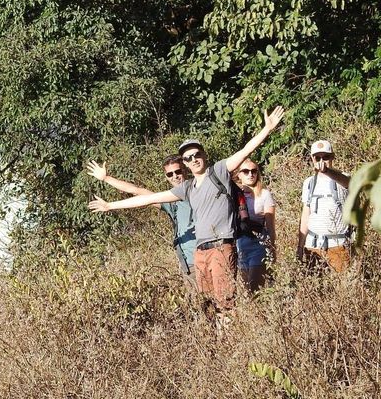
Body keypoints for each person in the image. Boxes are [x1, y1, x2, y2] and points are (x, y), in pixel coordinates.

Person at [89, 107, 285, 318]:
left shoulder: (218, 171)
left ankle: (227, 344)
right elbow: (148, 198)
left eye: (196, 154)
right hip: (200, 253)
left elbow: (245, 151)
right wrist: (110, 204)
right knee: (207, 306)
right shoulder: (187, 188)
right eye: (188, 157)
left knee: (225, 304)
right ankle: (215, 345)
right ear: (185, 163)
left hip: (221, 247)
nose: (194, 159)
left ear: (204, 155)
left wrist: (267, 129)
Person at [86, 156, 197, 291]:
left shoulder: (195, 189)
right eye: (170, 174)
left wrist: (110, 205)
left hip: (203, 259)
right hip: (188, 264)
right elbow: (137, 191)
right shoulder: (170, 201)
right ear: (166, 177)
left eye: (178, 172)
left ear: (185, 170)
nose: (175, 176)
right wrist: (106, 179)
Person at [298, 140, 352, 272]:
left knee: (341, 289)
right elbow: (306, 214)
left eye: (326, 157)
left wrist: (327, 171)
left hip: (338, 246)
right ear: (312, 159)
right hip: (313, 246)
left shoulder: (343, 177)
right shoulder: (309, 183)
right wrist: (300, 246)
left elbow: (347, 183)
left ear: (332, 157)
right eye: (318, 157)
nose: (322, 161)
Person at [234, 158, 276, 292]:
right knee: (246, 288)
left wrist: (272, 248)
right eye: (245, 171)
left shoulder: (264, 194)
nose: (250, 174)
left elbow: (270, 226)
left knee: (255, 287)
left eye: (253, 171)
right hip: (240, 244)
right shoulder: (234, 194)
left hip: (259, 244)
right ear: (239, 174)